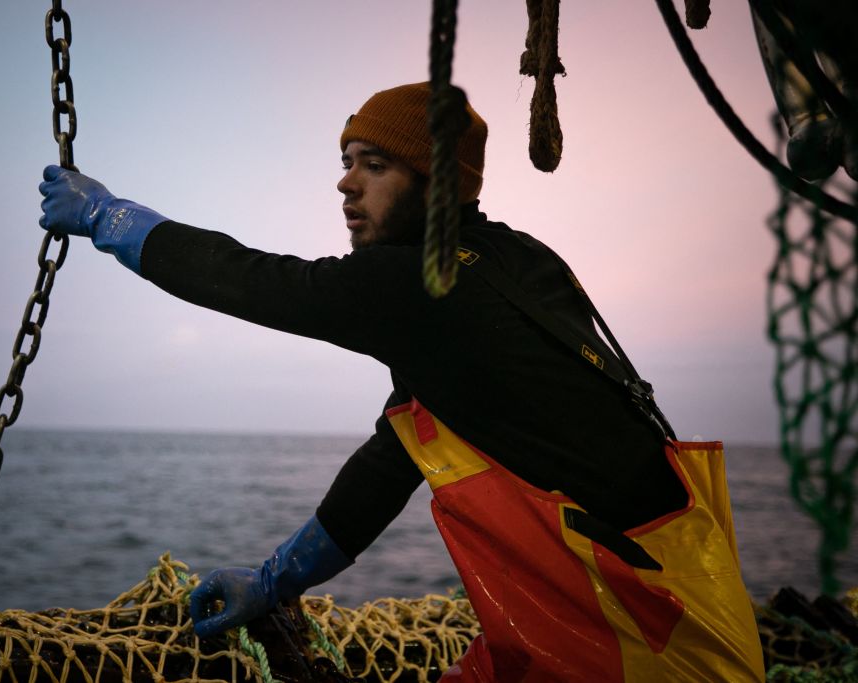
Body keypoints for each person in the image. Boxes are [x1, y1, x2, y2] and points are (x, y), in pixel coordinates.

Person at [39, 82, 765, 681]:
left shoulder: (424, 286)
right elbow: (390, 463)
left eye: (374, 164)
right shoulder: (513, 264)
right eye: (347, 159)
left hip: (641, 649)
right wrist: (272, 580)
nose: (344, 181)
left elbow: (251, 282)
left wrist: (108, 216)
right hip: (679, 614)